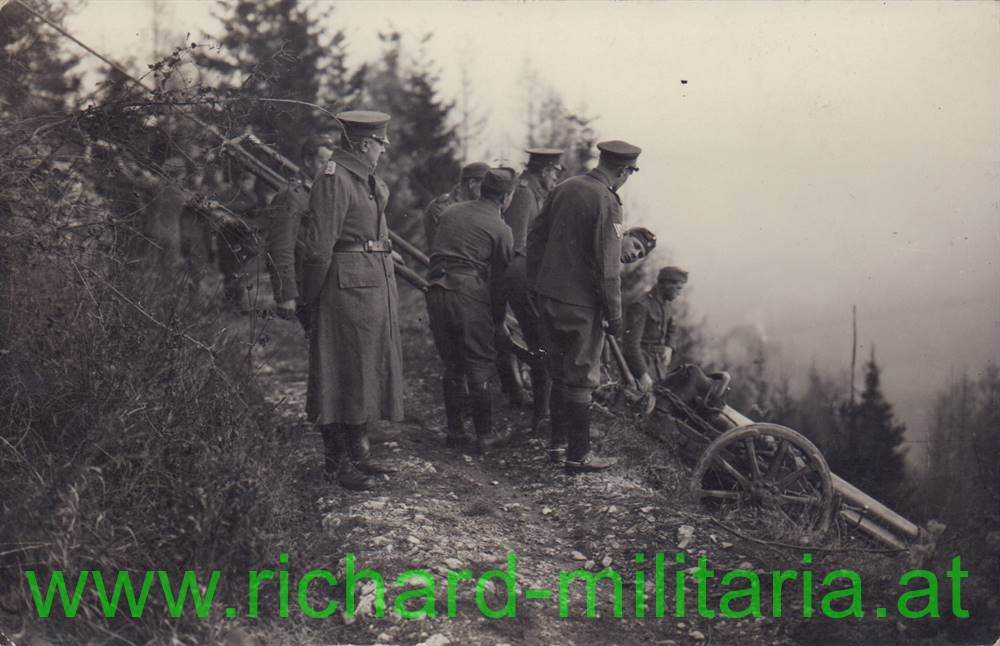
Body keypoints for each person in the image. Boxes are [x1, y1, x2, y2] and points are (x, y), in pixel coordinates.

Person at [301, 110, 402, 492]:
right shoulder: (334, 179)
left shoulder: (365, 179)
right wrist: (309, 298)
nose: (384, 149)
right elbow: (318, 249)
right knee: (339, 370)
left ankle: (357, 453)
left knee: (362, 368)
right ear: (363, 144)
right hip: (344, 287)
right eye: (381, 142)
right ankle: (336, 464)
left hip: (368, 282)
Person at [527, 140, 641, 473]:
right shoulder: (607, 201)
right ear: (623, 170)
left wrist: (537, 284)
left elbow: (535, 237)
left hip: (549, 296)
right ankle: (579, 456)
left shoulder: (565, 187)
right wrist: (615, 314)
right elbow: (608, 268)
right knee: (580, 376)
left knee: (559, 371)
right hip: (581, 305)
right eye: (630, 173)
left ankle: (557, 447)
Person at [426, 168, 517, 454]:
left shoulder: (452, 211)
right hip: (468, 293)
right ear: (506, 197)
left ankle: (455, 432)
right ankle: (485, 436)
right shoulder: (502, 229)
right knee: (478, 362)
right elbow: (501, 282)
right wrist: (499, 320)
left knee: (452, 364)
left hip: (437, 289)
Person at [496, 148, 563, 424]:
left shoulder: (536, 193)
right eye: (556, 172)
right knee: (541, 342)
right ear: (546, 170)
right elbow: (515, 244)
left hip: (528, 274)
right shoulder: (524, 194)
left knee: (541, 343)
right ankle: (542, 414)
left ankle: (542, 410)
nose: (557, 179)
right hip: (521, 276)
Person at [265, 133, 336, 329]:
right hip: (307, 286)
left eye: (332, 164)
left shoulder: (320, 191)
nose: (329, 169)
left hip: (326, 283)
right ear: (307, 160)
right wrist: (285, 294)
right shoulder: (291, 195)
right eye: (323, 162)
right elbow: (280, 246)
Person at [623, 266, 688, 392]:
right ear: (667, 284)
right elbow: (630, 345)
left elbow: (672, 329)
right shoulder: (641, 305)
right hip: (641, 367)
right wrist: (641, 373)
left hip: (658, 368)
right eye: (678, 288)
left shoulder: (666, 305)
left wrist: (669, 347)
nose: (680, 293)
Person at [423, 161, 490, 251]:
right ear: (472, 183)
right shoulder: (441, 207)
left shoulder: (480, 208)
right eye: (486, 186)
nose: (489, 192)